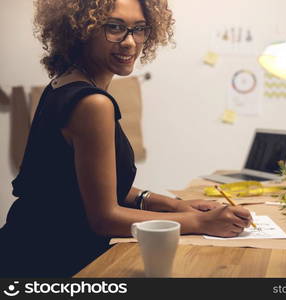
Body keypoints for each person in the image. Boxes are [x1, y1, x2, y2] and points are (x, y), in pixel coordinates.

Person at [0, 0, 252, 277]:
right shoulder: (93, 103)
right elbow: (105, 218)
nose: (130, 42)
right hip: (47, 262)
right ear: (82, 29)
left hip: (27, 248)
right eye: (115, 27)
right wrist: (200, 221)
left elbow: (84, 184)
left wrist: (174, 205)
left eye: (139, 29)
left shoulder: (64, 84)